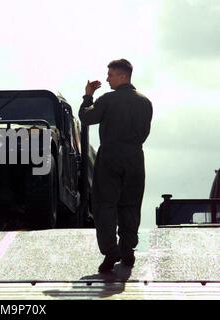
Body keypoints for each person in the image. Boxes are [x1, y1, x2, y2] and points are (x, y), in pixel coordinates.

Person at [78, 59, 153, 273]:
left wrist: (88, 95)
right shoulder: (145, 102)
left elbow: (86, 118)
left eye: (110, 74)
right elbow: (145, 132)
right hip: (135, 157)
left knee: (105, 206)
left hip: (110, 155)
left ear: (122, 76)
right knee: (130, 205)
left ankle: (111, 252)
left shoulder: (107, 100)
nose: (107, 78)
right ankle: (127, 249)